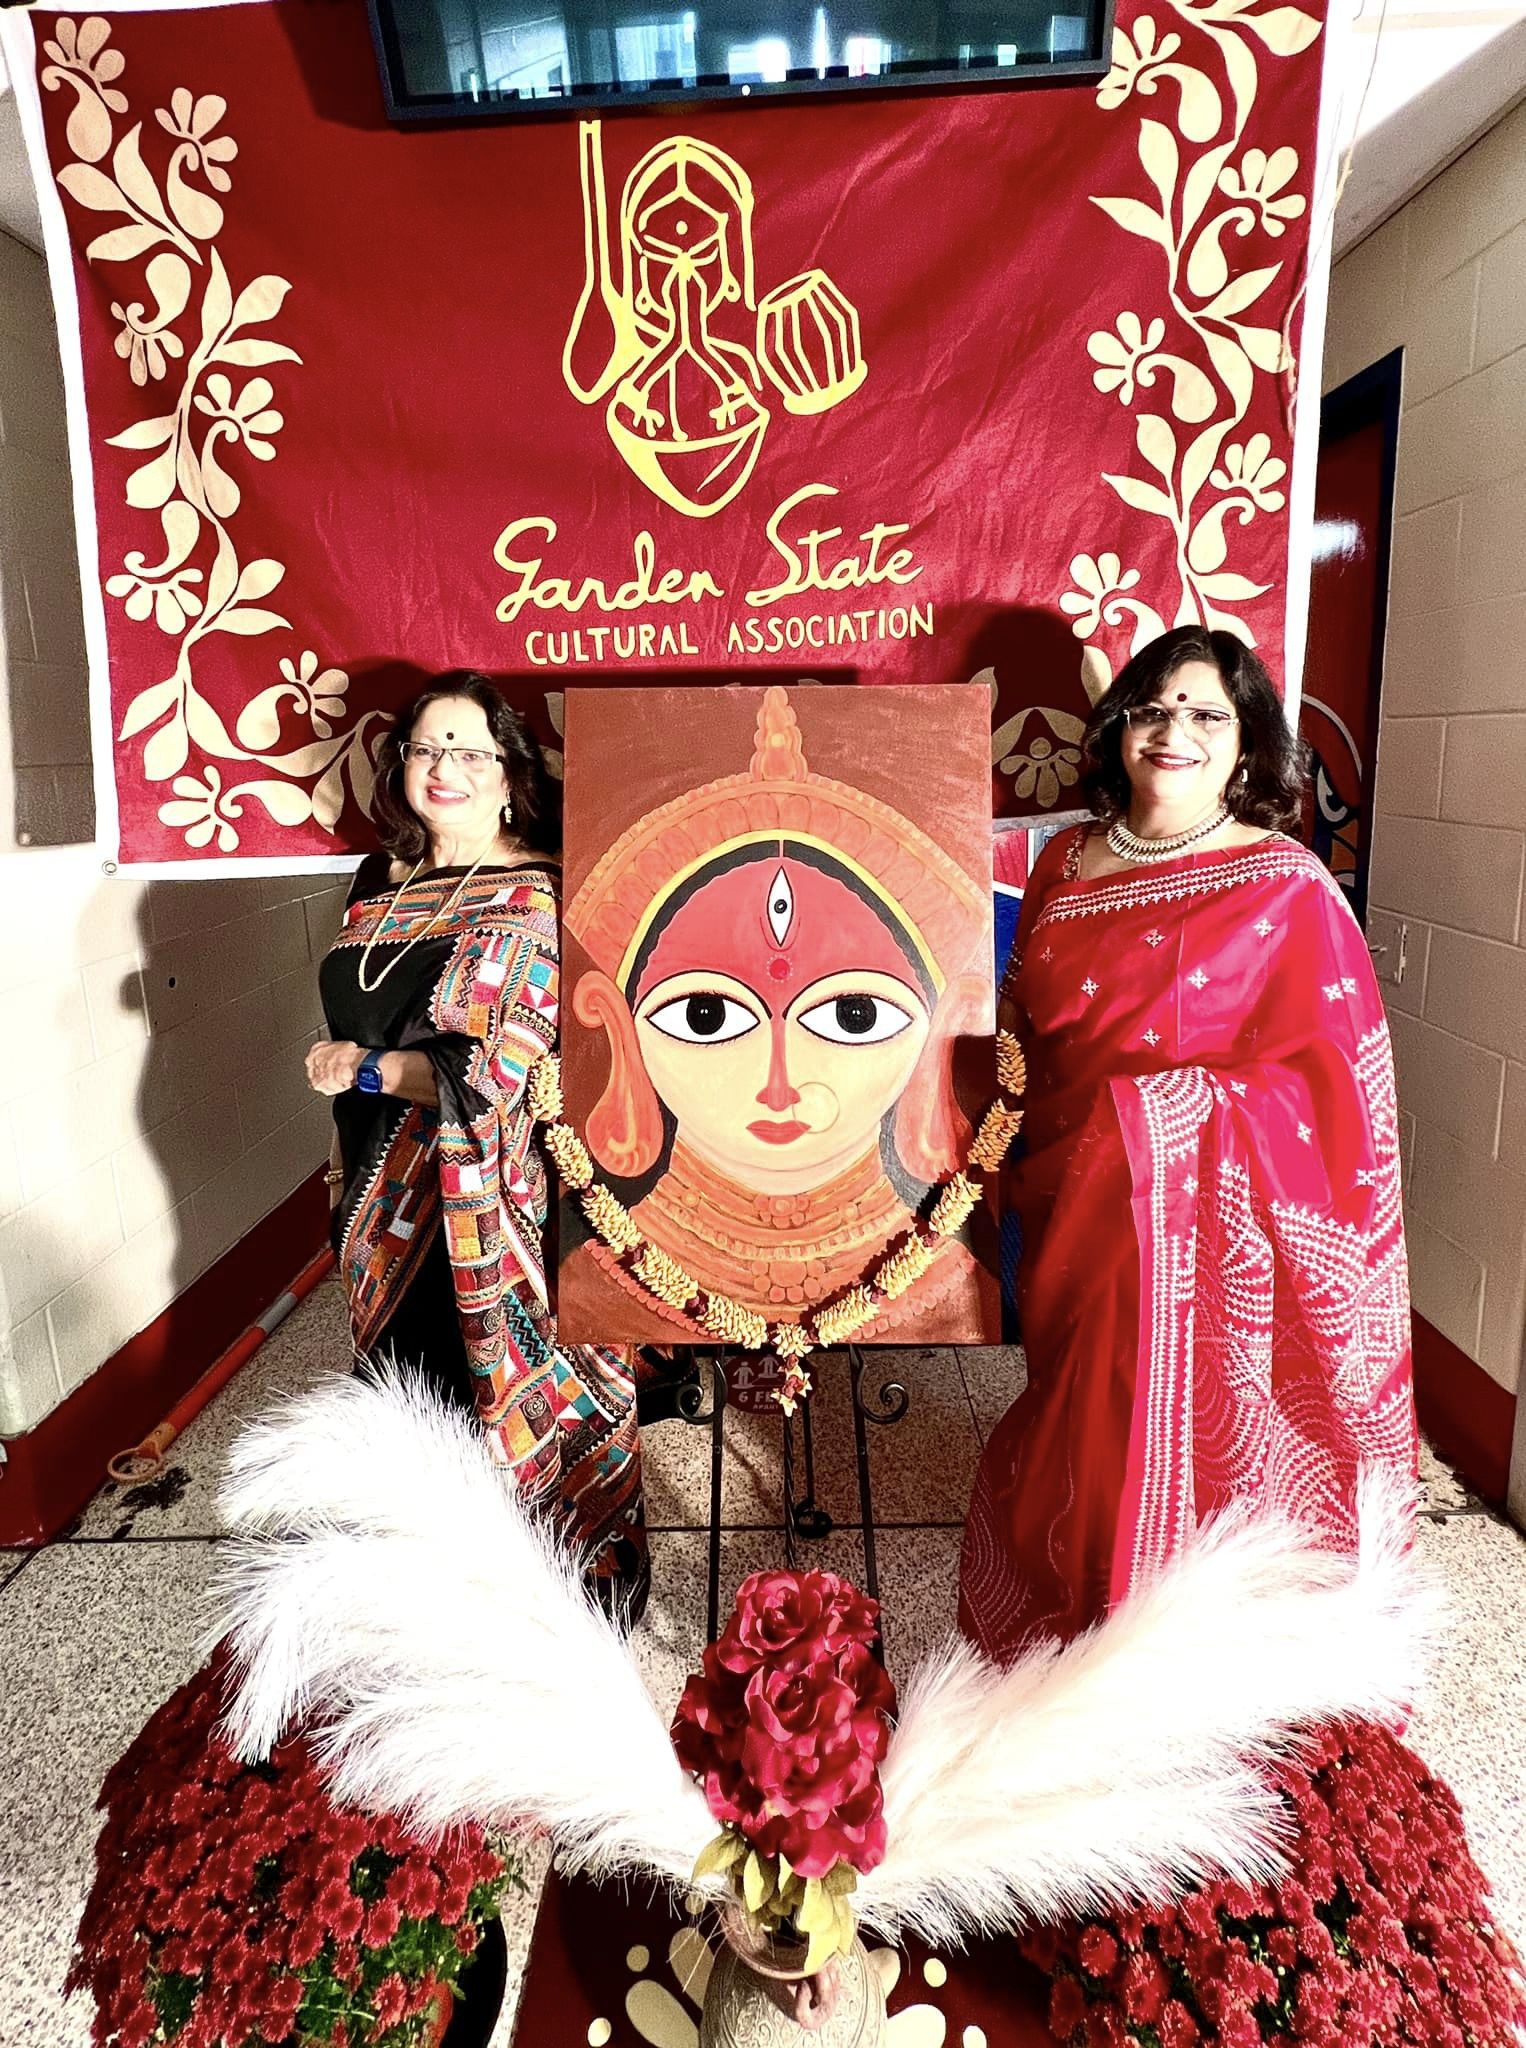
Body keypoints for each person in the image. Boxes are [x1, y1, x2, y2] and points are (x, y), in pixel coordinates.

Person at [959, 626, 1417, 1660]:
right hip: (1068, 1191)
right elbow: (1021, 1014)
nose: (1175, 731)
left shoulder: (1282, 883)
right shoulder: (1066, 860)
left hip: (1186, 1209)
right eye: (1155, 707)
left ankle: (1167, 1640)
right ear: (1118, 724)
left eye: (1208, 713)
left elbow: (1341, 1087)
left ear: (1247, 743)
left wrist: (1168, 1121)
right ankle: (1083, 1618)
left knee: (1148, 1410)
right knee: (1077, 1410)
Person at [306, 672, 647, 1617]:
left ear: (509, 773)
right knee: (410, 1403)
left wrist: (365, 1069)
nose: (443, 767)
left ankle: (556, 1613)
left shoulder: (534, 889)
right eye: (426, 748)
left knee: (502, 1407)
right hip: (376, 1196)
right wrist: (359, 1081)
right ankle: (436, 1605)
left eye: (468, 750)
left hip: (496, 1207)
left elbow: (494, 1069)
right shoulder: (377, 882)